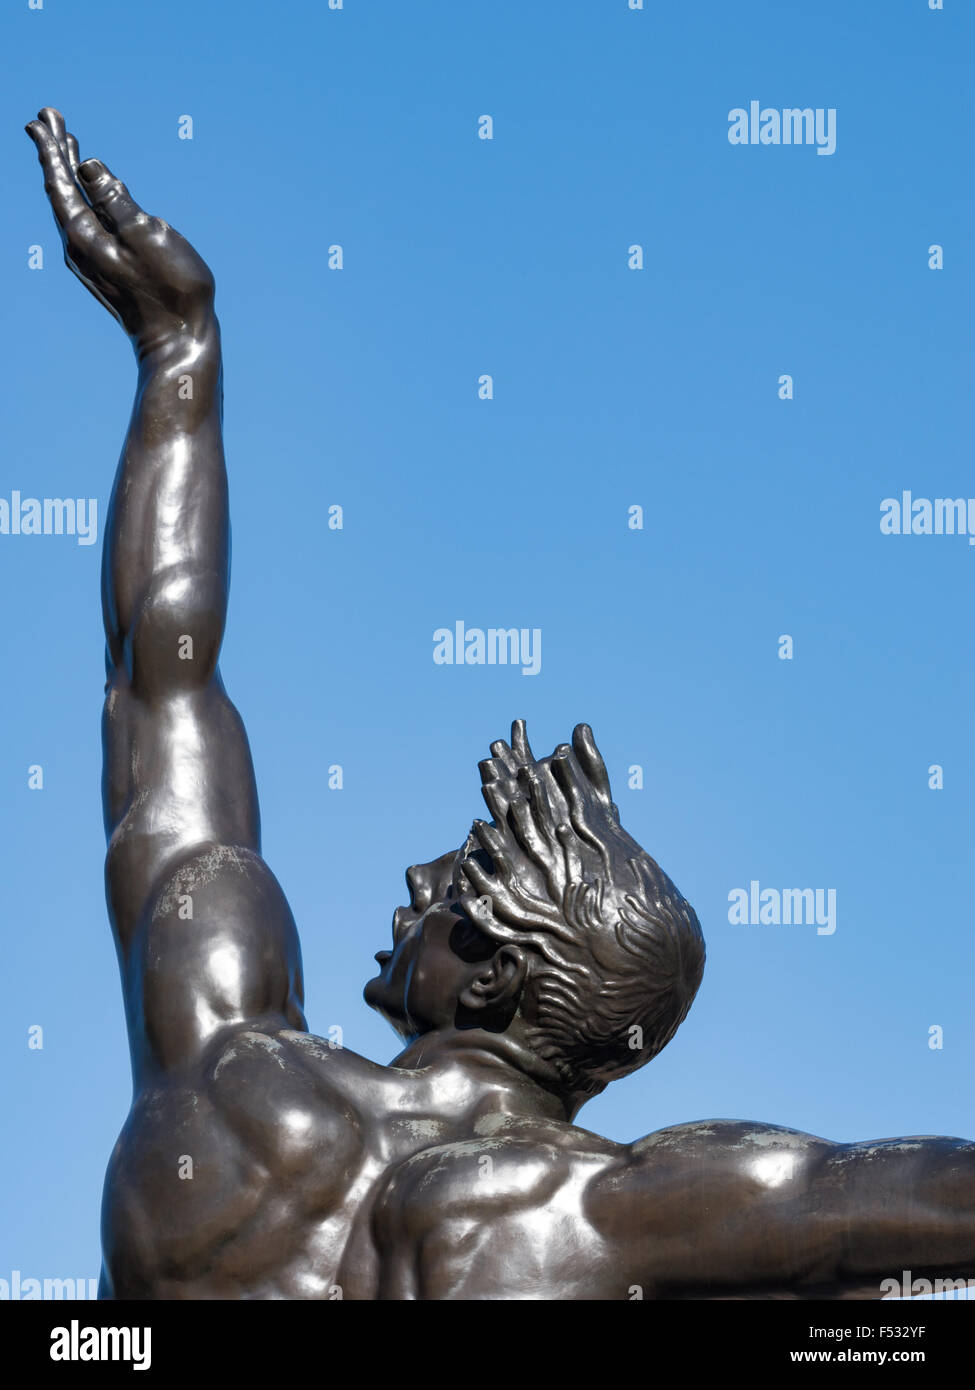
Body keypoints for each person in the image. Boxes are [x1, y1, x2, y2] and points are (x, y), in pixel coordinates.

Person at [26, 107, 974, 1301]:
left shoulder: (231, 1077)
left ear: (488, 982)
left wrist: (180, 360)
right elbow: (857, 1195)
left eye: (460, 886)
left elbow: (160, 675)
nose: (420, 883)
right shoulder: (594, 1214)